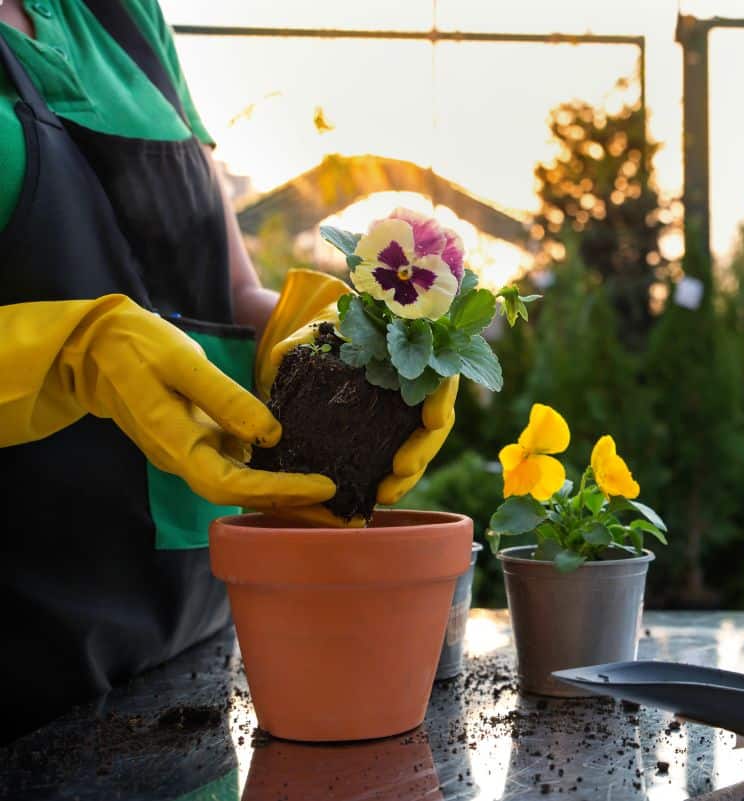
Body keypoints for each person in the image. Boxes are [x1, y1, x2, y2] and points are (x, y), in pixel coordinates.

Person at [0, 0, 454, 742]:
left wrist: (339, 349)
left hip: (204, 651)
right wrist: (66, 350)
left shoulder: (120, 14)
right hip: (25, 683)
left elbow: (231, 290)